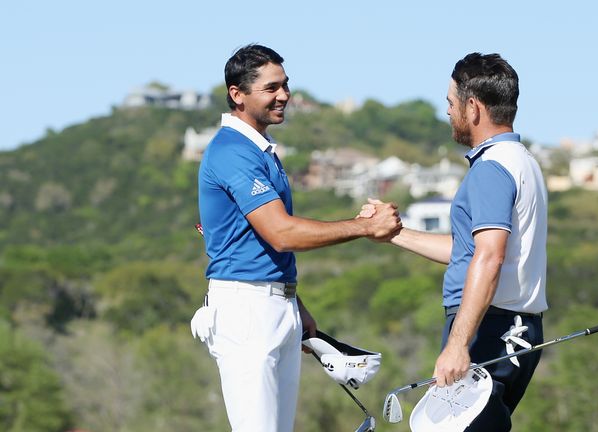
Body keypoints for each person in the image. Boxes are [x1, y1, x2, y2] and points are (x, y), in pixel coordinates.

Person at [194, 43, 401, 432]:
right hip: (246, 311)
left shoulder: (261, 151)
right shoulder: (232, 150)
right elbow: (282, 233)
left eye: (285, 85)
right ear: (237, 95)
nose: (285, 95)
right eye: (272, 88)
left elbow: (256, 240)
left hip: (274, 304)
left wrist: (295, 302)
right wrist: (364, 227)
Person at [364, 52, 548, 431]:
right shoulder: (520, 159)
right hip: (512, 326)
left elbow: (490, 258)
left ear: (473, 107)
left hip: (491, 328)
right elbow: (468, 250)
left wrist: (458, 344)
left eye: (451, 103)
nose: (448, 112)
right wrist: (394, 233)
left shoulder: (492, 168)